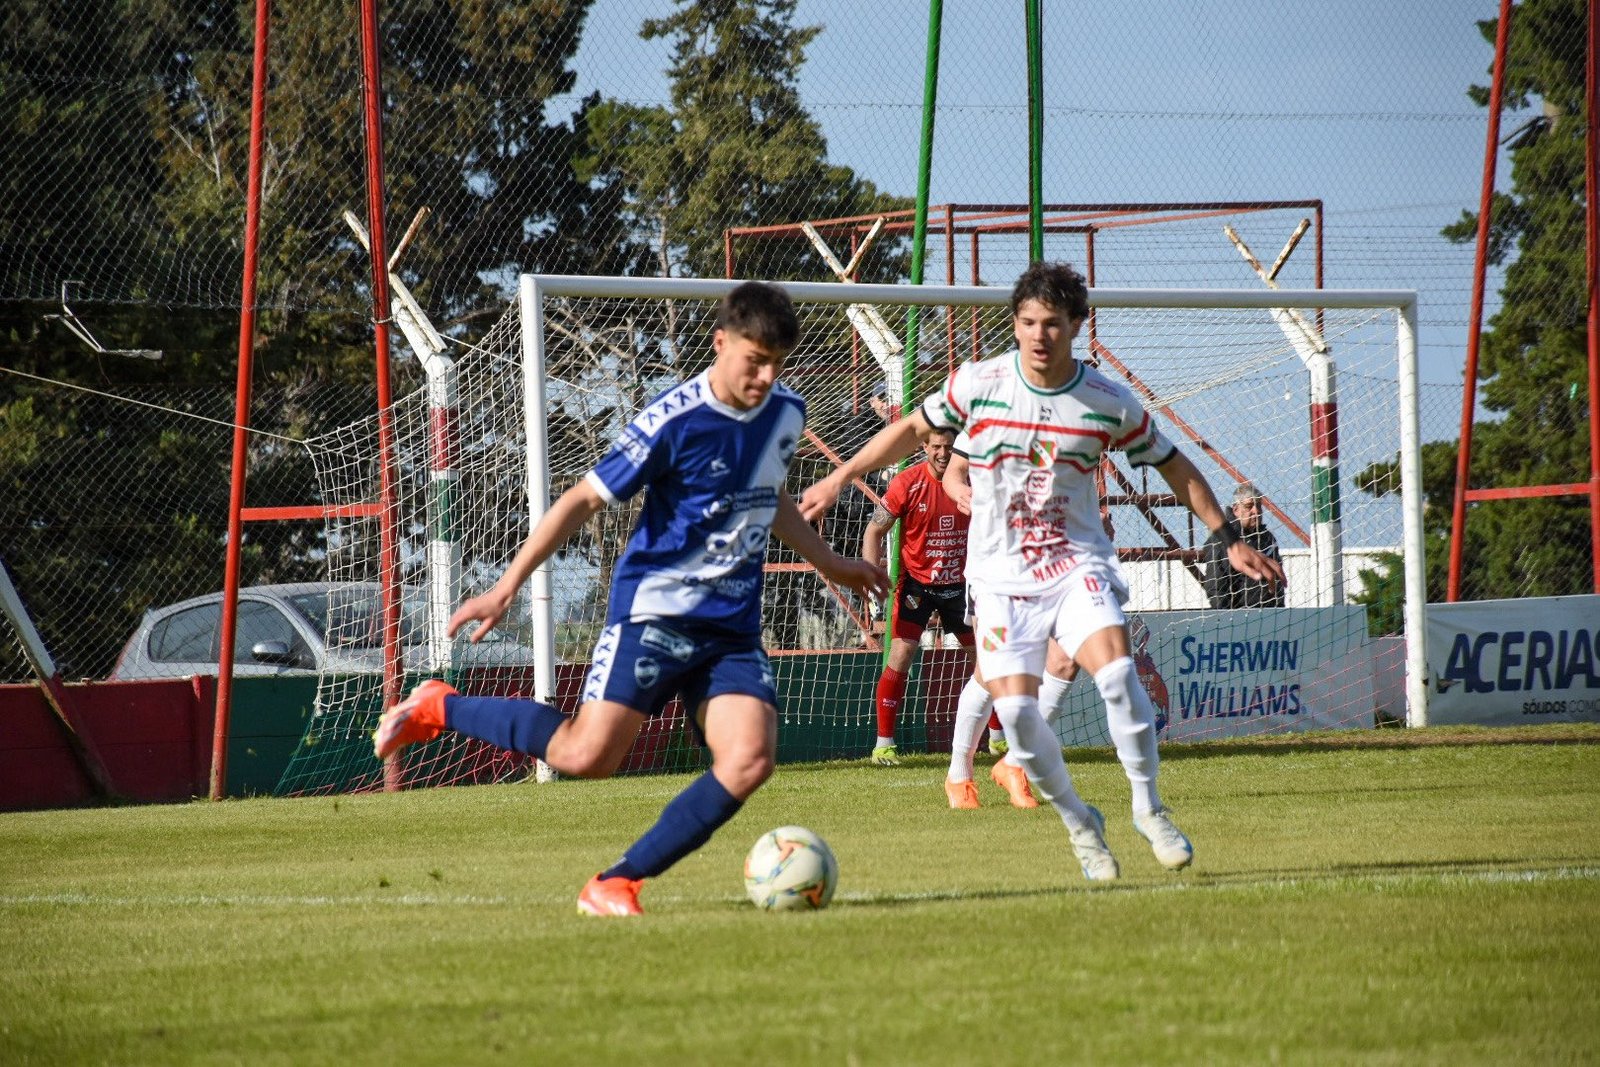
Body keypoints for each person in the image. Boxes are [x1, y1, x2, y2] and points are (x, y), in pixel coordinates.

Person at [373, 281, 887, 917]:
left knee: (750, 760)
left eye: (776, 364)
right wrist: (507, 586)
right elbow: (583, 499)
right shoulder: (674, 418)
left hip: (729, 630)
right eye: (754, 361)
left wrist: (833, 563)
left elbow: (769, 494)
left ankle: (616, 882)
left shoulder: (786, 412)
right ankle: (439, 707)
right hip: (654, 614)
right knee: (586, 756)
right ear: (721, 343)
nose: (764, 378)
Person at [801, 261, 1284, 881]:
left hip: (1076, 563)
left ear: (1076, 325)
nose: (1039, 335)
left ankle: (1149, 809)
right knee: (1020, 722)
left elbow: (1173, 465)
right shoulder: (978, 384)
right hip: (1002, 578)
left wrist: (1227, 535)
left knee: (1117, 673)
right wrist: (841, 476)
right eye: (1028, 322)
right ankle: (1081, 823)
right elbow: (912, 430)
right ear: (1015, 323)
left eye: (1052, 323)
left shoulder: (1106, 400)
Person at [859, 428, 1037, 809]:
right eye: (935, 447)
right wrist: (872, 578)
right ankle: (884, 745)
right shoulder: (906, 484)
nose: (942, 454)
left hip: (961, 584)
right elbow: (874, 529)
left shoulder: (976, 481)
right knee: (901, 655)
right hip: (917, 585)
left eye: (948, 447)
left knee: (989, 660)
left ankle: (997, 738)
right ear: (923, 447)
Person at [1201, 481, 1286, 608]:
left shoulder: (1268, 539)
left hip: (1270, 613)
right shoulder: (1222, 540)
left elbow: (1277, 582)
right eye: (1249, 506)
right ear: (1236, 510)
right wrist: (1226, 617)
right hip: (1239, 615)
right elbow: (1216, 588)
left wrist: (1279, 609)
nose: (1256, 511)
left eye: (1258, 506)